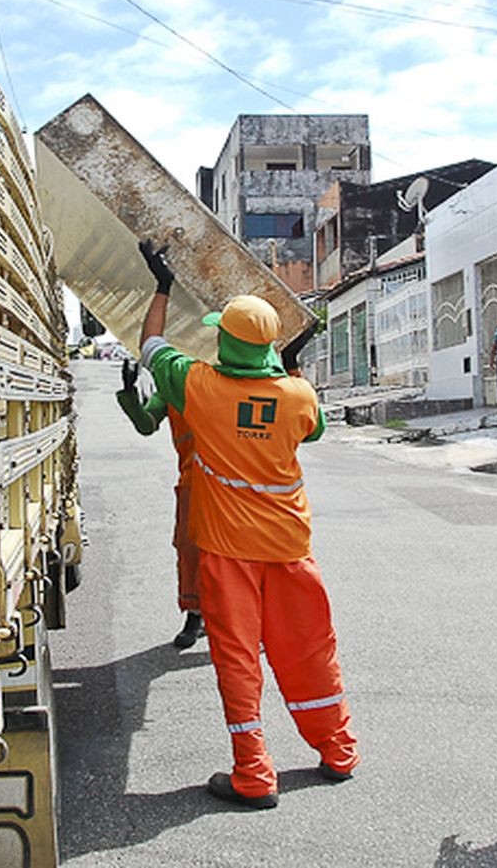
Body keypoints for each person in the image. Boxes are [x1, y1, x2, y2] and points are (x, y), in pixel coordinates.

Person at [135, 240, 358, 811]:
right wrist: (289, 366)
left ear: (223, 341)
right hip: (291, 551)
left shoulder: (199, 388)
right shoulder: (299, 397)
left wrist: (161, 284)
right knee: (311, 651)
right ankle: (338, 752)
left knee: (238, 662)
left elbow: (151, 346)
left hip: (228, 554)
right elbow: (316, 430)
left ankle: (255, 775)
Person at [116, 358, 205, 649]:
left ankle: (253, 619)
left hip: (235, 481)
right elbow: (146, 424)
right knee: (189, 548)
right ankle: (195, 614)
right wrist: (130, 393)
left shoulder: (224, 377)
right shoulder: (170, 387)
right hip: (193, 482)